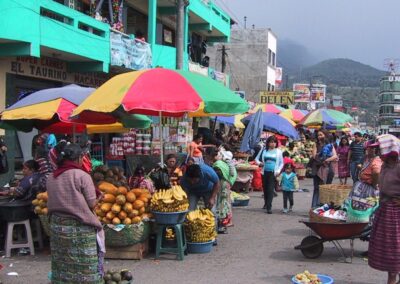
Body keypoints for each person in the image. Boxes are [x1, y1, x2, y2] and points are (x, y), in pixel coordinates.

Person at [46, 144, 105, 283]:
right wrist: (100, 197)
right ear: (79, 158)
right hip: (80, 227)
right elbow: (91, 204)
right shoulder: (81, 175)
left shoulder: (51, 176)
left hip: (57, 226)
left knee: (62, 262)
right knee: (85, 264)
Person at [368, 135, 400, 284]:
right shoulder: (385, 166)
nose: (378, 153)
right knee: (389, 251)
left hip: (395, 212)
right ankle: (392, 277)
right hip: (386, 210)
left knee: (395, 250)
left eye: (379, 149)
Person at [349, 139, 381, 210]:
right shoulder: (366, 158)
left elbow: (376, 172)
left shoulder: (376, 159)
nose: (373, 149)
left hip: (369, 187)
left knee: (366, 207)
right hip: (361, 185)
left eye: (375, 148)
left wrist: (374, 184)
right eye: (371, 148)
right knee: (359, 207)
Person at [255, 135, 283, 214]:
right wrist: (260, 163)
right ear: (268, 143)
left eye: (274, 142)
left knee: (270, 189)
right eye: (271, 142)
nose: (273, 144)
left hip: (273, 173)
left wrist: (278, 171)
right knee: (265, 189)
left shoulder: (278, 152)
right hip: (264, 172)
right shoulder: (264, 150)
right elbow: (256, 159)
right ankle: (266, 202)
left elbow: (281, 163)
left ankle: (269, 207)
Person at [310, 130, 338, 207]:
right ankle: (314, 207)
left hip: (328, 168)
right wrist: (322, 158)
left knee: (326, 188)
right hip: (317, 168)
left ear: (325, 135)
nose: (319, 136)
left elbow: (335, 156)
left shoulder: (330, 145)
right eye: (318, 135)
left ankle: (324, 207)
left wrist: (327, 159)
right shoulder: (316, 144)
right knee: (316, 188)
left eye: (321, 134)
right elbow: (314, 156)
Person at [213, 159, 237, 232]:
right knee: (223, 205)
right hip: (223, 191)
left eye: (218, 170)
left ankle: (223, 224)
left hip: (224, 191)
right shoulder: (220, 167)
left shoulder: (225, 178)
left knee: (223, 205)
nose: (217, 172)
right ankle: (224, 222)